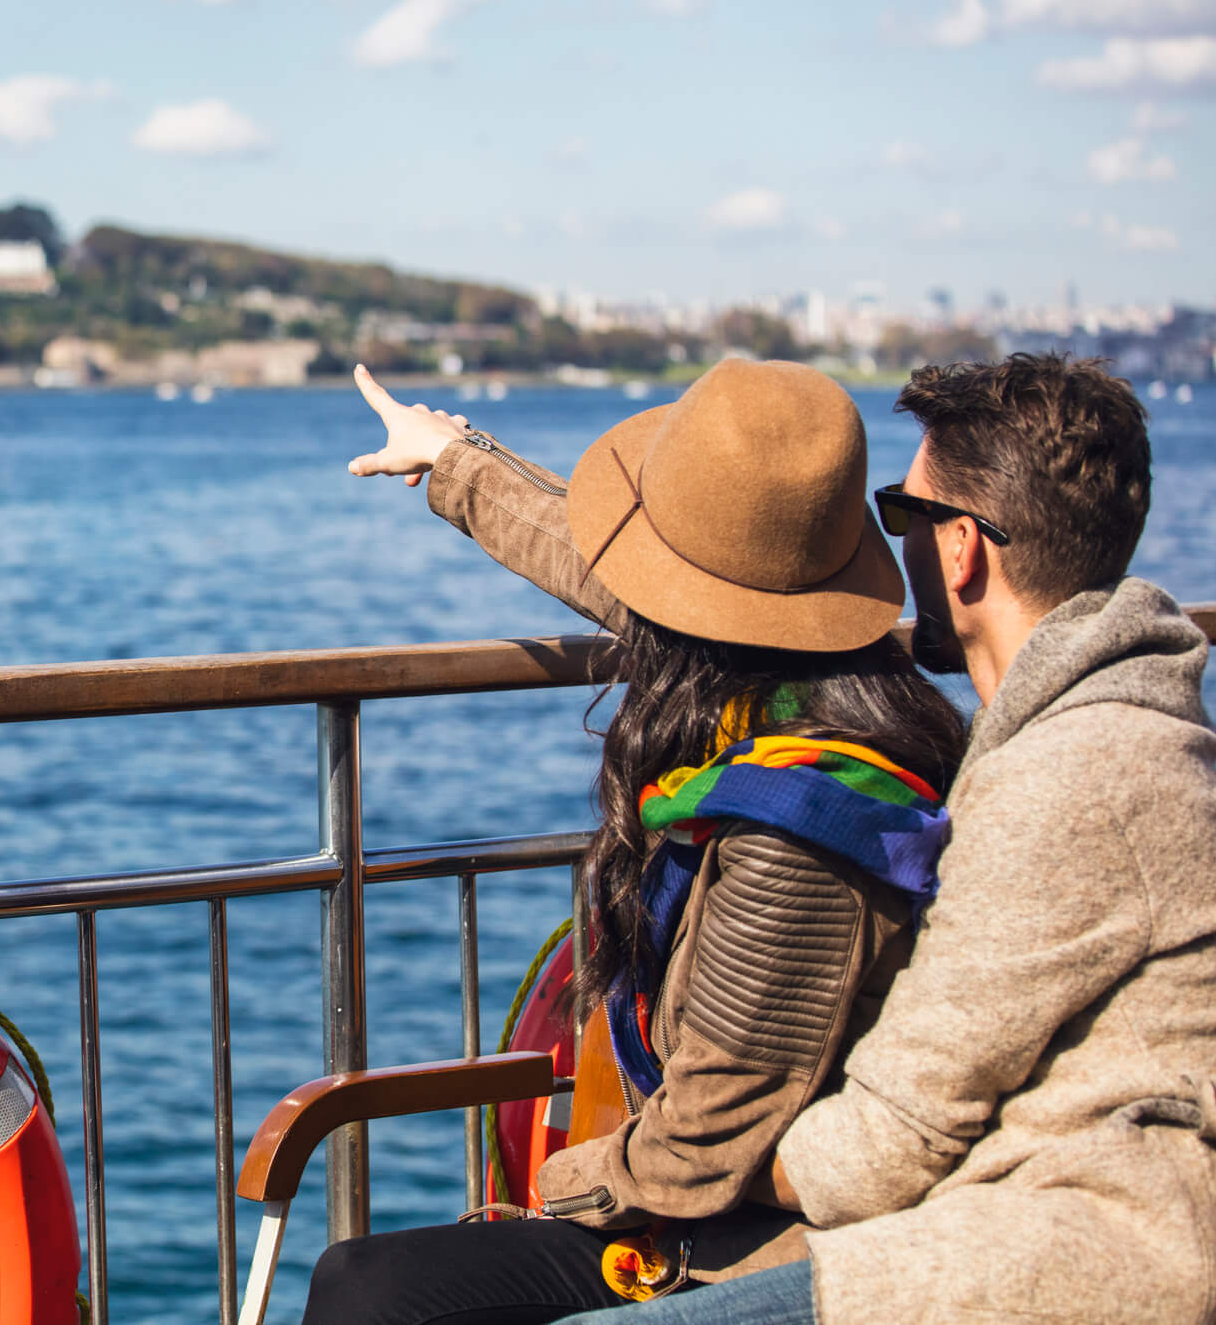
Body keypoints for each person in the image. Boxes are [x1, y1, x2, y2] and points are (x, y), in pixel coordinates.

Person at [301, 358, 968, 1323]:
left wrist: (561, 1187)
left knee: (373, 1294)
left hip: (752, 1244)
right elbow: (604, 565)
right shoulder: (797, 676)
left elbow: (704, 1145)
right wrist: (453, 458)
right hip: (705, 1202)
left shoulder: (806, 828)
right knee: (360, 1281)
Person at [555, 354, 1216, 1324]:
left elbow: (879, 1152)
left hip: (1082, 1249)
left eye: (900, 515)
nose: (885, 551)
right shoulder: (1110, 717)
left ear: (959, 552)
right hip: (1033, 1208)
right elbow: (692, 572)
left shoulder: (1074, 780)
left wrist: (658, 1163)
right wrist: (460, 464)